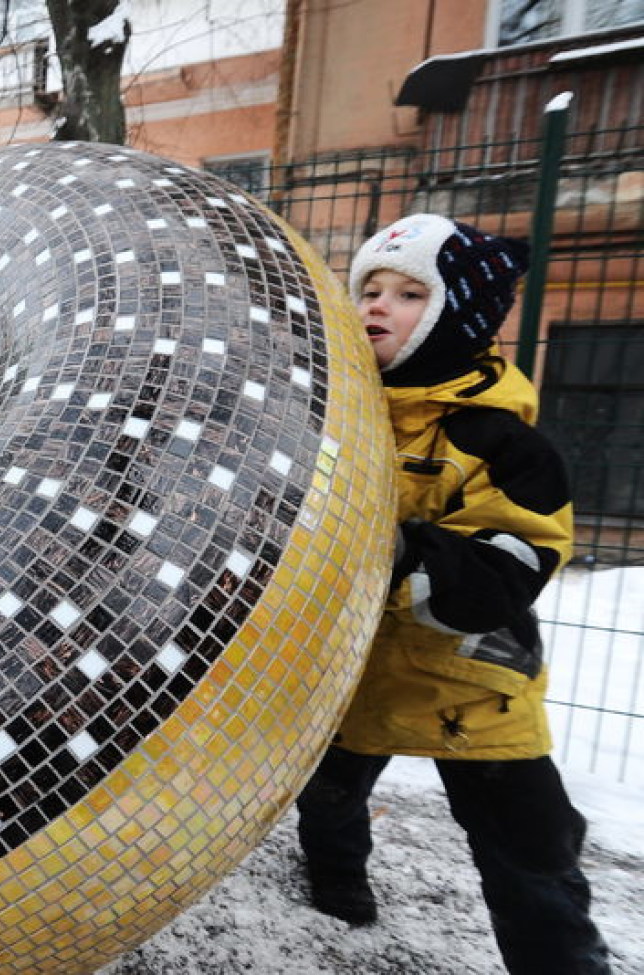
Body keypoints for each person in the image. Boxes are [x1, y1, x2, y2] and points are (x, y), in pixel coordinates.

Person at [295, 214, 611, 974]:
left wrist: (400, 549)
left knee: (529, 847)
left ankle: (563, 958)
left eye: (409, 293)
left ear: (458, 317)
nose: (376, 304)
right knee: (329, 797)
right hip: (351, 676)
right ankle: (339, 888)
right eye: (369, 286)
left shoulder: (503, 444)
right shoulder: (334, 410)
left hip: (470, 686)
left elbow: (508, 569)